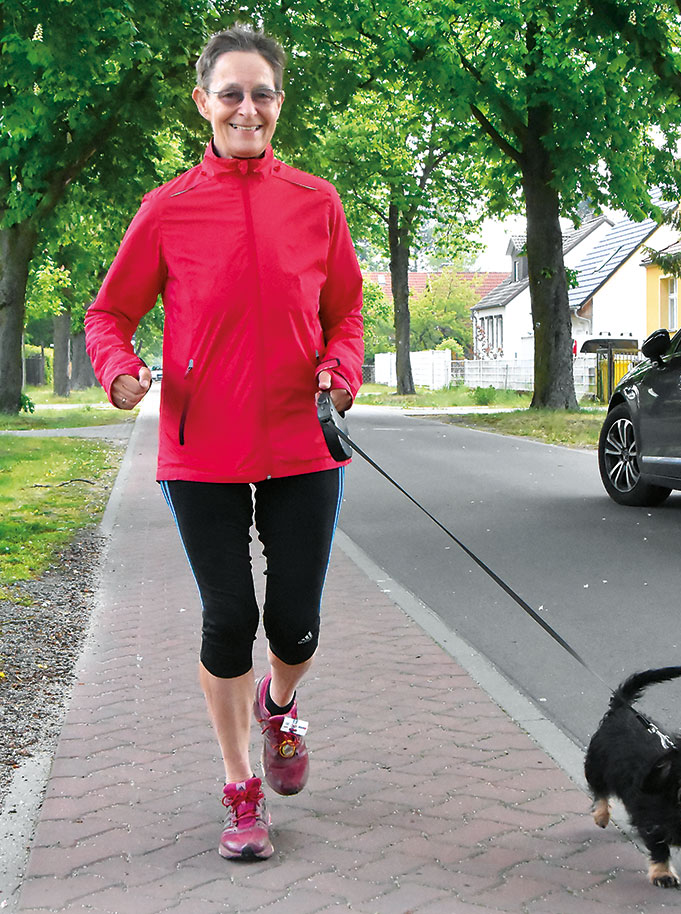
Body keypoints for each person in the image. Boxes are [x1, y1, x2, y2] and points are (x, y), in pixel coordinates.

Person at [85, 24, 363, 861]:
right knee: (228, 616)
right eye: (232, 93)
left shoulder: (317, 202)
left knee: (297, 625)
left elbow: (345, 312)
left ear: (280, 104)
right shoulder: (168, 208)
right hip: (201, 446)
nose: (249, 107)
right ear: (203, 102)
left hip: (302, 440)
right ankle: (241, 783)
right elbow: (109, 313)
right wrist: (119, 370)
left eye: (263, 93)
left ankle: (279, 707)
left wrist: (338, 371)